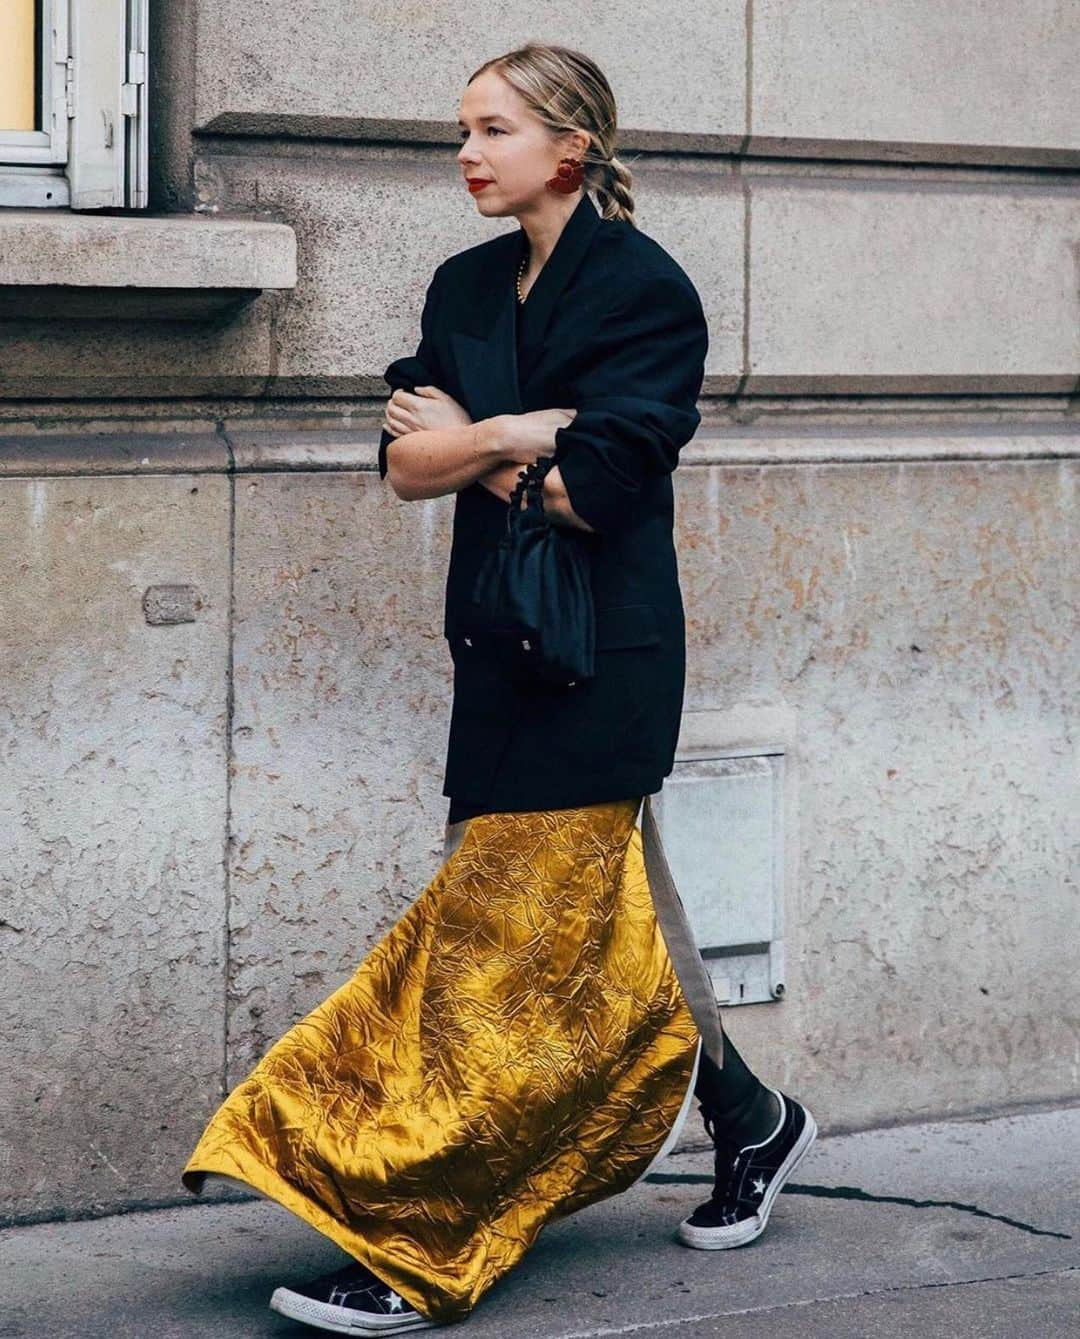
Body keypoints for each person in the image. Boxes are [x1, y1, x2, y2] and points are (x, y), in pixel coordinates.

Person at [180, 42, 817, 1335]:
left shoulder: (645, 292)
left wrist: (481, 442)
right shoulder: (466, 283)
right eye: (460, 131)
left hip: (604, 659)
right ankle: (754, 1116)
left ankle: (425, 1236)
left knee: (506, 963)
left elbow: (601, 491)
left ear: (568, 146)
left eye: (492, 129)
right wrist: (523, 434)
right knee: (613, 922)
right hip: (497, 642)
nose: (467, 153)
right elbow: (402, 466)